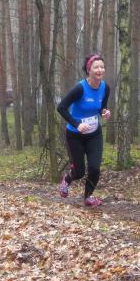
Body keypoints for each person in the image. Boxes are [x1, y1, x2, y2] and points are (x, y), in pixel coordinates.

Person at [56, 53, 111, 207]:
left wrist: (105, 112)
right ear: (89, 70)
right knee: (79, 172)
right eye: (96, 67)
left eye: (102, 67)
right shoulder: (80, 88)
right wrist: (77, 124)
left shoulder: (105, 87)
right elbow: (61, 108)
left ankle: (88, 197)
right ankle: (67, 179)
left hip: (94, 134)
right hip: (75, 135)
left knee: (94, 168)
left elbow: (101, 107)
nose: (100, 70)